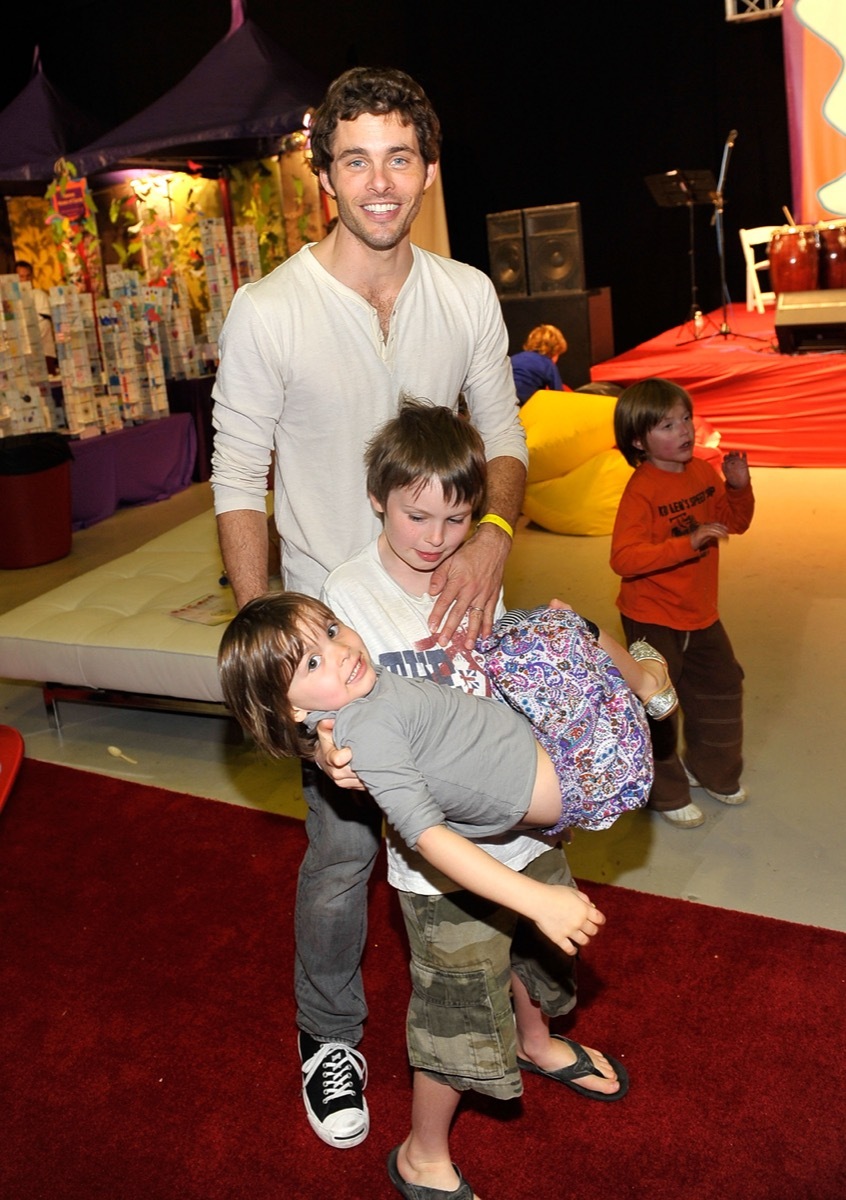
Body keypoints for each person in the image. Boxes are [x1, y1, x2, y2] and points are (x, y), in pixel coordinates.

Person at [210, 65, 528, 1151]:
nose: (379, 181)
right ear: (326, 177)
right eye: (356, 159)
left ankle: (518, 1013)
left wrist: (494, 534)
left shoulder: (467, 292)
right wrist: (277, 654)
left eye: (399, 157)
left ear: (428, 171)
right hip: (335, 649)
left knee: (488, 824)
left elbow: (505, 439)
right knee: (346, 857)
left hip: (450, 619)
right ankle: (329, 1034)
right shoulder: (269, 310)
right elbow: (237, 478)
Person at [316, 398, 640, 1196]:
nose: (435, 538)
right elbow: (323, 705)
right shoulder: (346, 593)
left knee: (535, 946)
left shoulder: (474, 564)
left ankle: (537, 1041)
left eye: (456, 519)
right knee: (457, 1008)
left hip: (521, 816)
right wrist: (327, 751)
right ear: (377, 498)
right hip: (440, 855)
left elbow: (502, 674)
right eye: (416, 516)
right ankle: (422, 1152)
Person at [610, 377, 755, 829]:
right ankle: (665, 791)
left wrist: (738, 488)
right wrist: (686, 543)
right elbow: (623, 558)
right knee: (658, 702)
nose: (685, 431)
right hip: (651, 617)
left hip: (701, 612)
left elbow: (734, 523)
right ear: (639, 441)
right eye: (668, 425)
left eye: (686, 419)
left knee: (722, 688)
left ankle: (712, 770)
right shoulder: (642, 490)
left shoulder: (701, 473)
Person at [15, 259, 58, 375]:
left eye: (28, 276)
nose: (25, 280)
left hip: (43, 352)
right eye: (21, 277)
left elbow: (44, 324)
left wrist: (29, 344)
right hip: (20, 355)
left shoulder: (39, 295)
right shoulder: (11, 301)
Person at [509, 323, 570, 405]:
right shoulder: (548, 364)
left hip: (502, 399)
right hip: (523, 403)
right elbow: (559, 395)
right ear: (555, 351)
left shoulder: (515, 358)